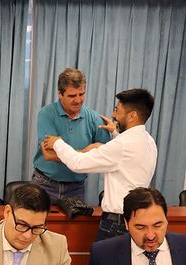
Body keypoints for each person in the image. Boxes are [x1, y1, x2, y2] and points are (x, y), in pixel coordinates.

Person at [42, 88, 158, 241]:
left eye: (117, 110)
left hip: (116, 224)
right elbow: (126, 154)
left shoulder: (122, 145)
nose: (113, 115)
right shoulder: (148, 141)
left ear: (132, 116)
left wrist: (57, 143)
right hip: (134, 220)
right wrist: (115, 132)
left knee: (102, 258)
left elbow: (78, 163)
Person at [32, 68, 111, 203]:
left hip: (76, 187)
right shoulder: (46, 114)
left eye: (81, 94)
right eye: (72, 96)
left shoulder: (94, 118)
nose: (78, 100)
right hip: (45, 184)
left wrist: (68, 152)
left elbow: (105, 154)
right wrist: (84, 153)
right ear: (60, 94)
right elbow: (49, 154)